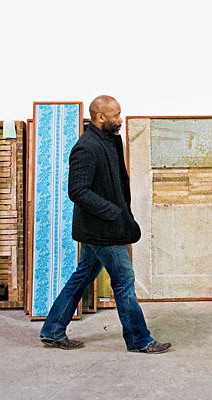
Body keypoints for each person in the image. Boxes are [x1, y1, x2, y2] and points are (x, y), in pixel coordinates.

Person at [39, 95, 171, 354]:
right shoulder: (86, 147)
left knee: (82, 276)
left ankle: (53, 329)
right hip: (102, 229)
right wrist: (113, 212)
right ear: (100, 117)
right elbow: (77, 190)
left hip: (102, 226)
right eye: (116, 115)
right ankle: (139, 340)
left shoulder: (108, 141)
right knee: (124, 281)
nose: (120, 119)